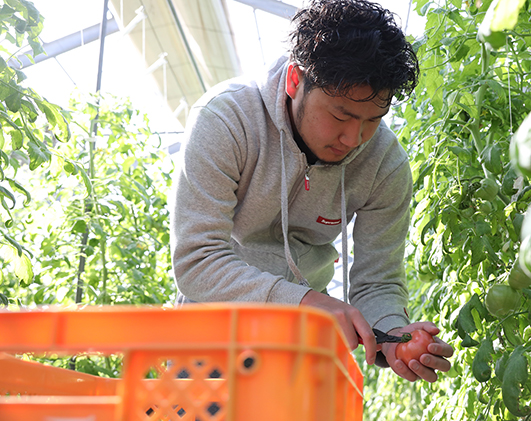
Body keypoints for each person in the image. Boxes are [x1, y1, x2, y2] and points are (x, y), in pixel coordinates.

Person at [170, 0, 453, 382]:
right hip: (208, 338)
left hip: (299, 349)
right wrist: (304, 302)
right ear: (294, 80)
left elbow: (378, 281)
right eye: (341, 115)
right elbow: (197, 260)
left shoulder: (385, 167)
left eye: (373, 120)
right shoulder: (227, 121)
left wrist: (391, 331)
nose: (354, 138)